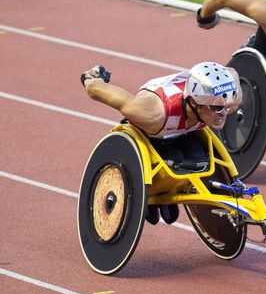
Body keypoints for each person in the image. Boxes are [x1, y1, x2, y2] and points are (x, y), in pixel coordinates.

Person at [81, 62, 242, 225]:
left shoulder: (228, 98)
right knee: (175, 159)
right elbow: (96, 90)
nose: (224, 114)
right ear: (193, 103)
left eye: (227, 107)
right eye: (216, 108)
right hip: (156, 124)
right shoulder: (152, 113)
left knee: (198, 158)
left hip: (184, 126)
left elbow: (232, 72)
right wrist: (93, 79)